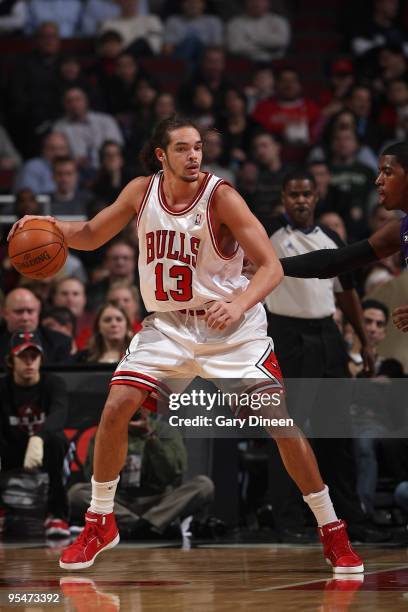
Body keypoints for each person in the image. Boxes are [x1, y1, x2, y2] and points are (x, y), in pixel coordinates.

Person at [9, 115, 363, 573]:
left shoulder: (223, 197)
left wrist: (237, 305)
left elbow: (271, 267)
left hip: (232, 329)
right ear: (162, 155)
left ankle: (332, 529)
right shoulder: (141, 191)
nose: (194, 155)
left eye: (197, 147)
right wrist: (50, 225)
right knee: (117, 405)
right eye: (182, 148)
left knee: (278, 419)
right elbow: (95, 233)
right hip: (170, 325)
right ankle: (100, 521)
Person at [263, 169, 378, 544]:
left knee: (336, 433)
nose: (300, 200)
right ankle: (288, 518)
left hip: (328, 336)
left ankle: (350, 518)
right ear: (283, 197)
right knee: (289, 431)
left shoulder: (330, 237)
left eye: (306, 194)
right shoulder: (268, 235)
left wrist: (363, 340)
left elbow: (347, 293)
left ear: (316, 197)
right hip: (285, 335)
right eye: (293, 194)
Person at [278, 141, 408, 334]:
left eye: (387, 172)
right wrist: (275, 266)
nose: (378, 180)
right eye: (379, 172)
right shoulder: (399, 229)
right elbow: (335, 261)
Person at [68, 407, 214, 537]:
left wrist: (150, 437)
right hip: (120, 502)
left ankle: (140, 525)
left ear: (149, 408)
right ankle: (146, 525)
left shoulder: (165, 431)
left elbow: (173, 472)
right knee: (77, 493)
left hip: (160, 500)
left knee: (204, 485)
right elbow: (93, 476)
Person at [0, 331, 69, 537]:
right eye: (23, 357)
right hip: (10, 448)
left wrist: (39, 437)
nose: (29, 362)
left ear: (41, 359)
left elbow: (60, 413)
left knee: (58, 440)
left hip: (43, 448)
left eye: (34, 356)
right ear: (11, 361)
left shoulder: (54, 383)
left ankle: (57, 515)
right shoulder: (2, 387)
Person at [0, 288, 72, 365]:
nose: (25, 318)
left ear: (38, 311)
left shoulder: (60, 343)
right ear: (5, 313)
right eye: (19, 312)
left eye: (30, 311)